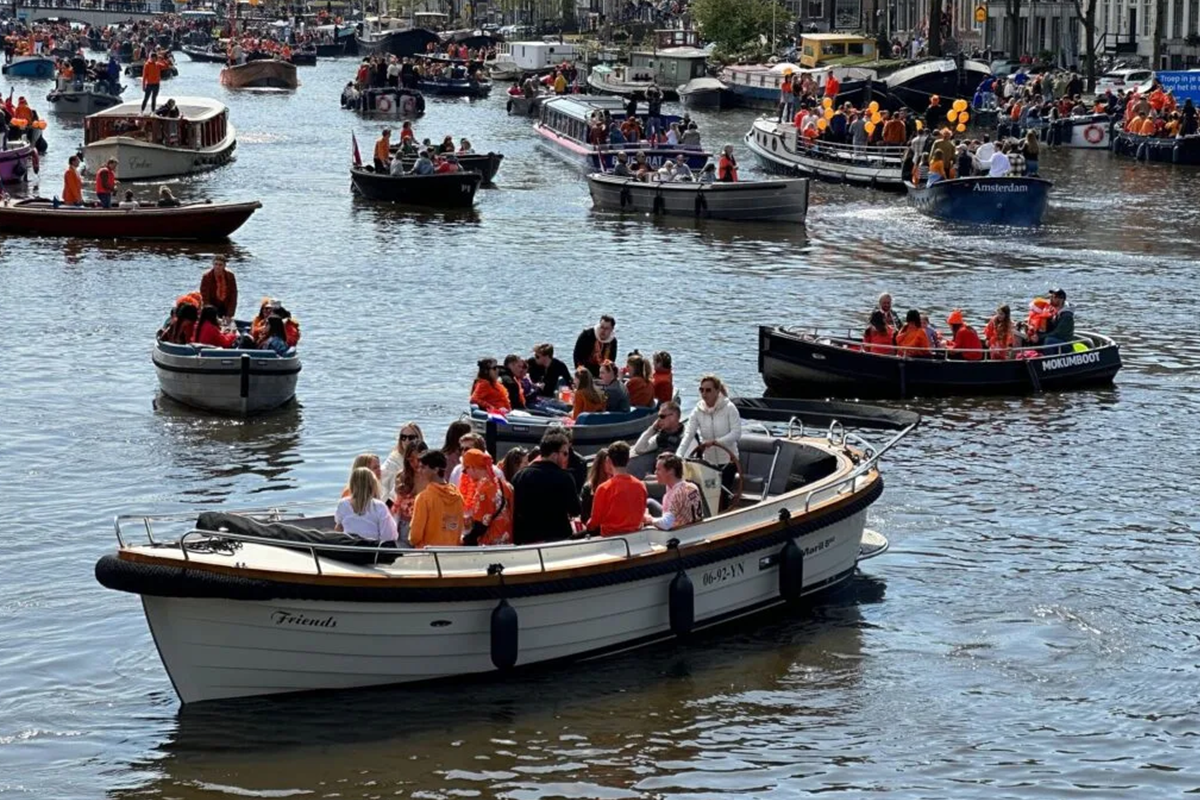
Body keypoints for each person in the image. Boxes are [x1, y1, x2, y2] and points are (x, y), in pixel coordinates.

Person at [677, 375, 742, 510]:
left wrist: (716, 442)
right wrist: (678, 456)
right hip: (708, 463)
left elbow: (736, 433)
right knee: (708, 495)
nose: (704, 394)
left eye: (708, 390)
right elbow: (688, 434)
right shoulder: (697, 410)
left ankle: (723, 517)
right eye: (701, 390)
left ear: (717, 391)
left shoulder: (729, 408)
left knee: (722, 495)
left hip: (728, 461)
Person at [511, 432, 581, 545]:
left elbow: (513, 509)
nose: (568, 458)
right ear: (554, 455)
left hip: (526, 540)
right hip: (557, 539)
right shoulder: (565, 478)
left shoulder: (519, 476)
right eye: (565, 453)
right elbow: (575, 510)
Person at [586, 442, 647, 537]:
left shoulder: (604, 488)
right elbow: (641, 514)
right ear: (628, 460)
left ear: (609, 461)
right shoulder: (640, 486)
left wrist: (588, 526)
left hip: (610, 539)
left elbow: (594, 522)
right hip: (636, 537)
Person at [408, 450, 465, 548]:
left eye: (423, 467)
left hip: (428, 555)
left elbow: (415, 536)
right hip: (452, 554)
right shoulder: (458, 496)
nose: (419, 470)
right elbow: (458, 529)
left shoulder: (424, 498)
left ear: (435, 470)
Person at [461, 449, 512, 546]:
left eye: (466, 470)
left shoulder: (484, 490)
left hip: (490, 543)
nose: (466, 474)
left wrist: (466, 541)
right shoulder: (504, 484)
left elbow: (482, 524)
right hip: (507, 539)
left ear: (473, 467)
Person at [334, 467, 399, 543]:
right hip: (373, 552)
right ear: (373, 485)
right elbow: (389, 537)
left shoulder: (343, 504)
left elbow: (339, 527)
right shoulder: (378, 506)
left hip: (349, 550)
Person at [645, 453, 703, 531]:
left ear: (670, 471)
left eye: (658, 469)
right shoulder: (692, 486)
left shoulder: (678, 493)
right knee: (650, 502)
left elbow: (666, 524)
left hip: (682, 533)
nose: (655, 473)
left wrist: (649, 519)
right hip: (696, 528)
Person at [381, 422, 425, 498]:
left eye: (411, 438)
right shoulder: (392, 462)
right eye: (403, 437)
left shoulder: (425, 459)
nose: (406, 441)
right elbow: (386, 493)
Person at [578, 446, 612, 522]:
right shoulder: (588, 488)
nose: (611, 464)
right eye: (608, 461)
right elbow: (584, 516)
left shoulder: (616, 484)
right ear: (600, 464)